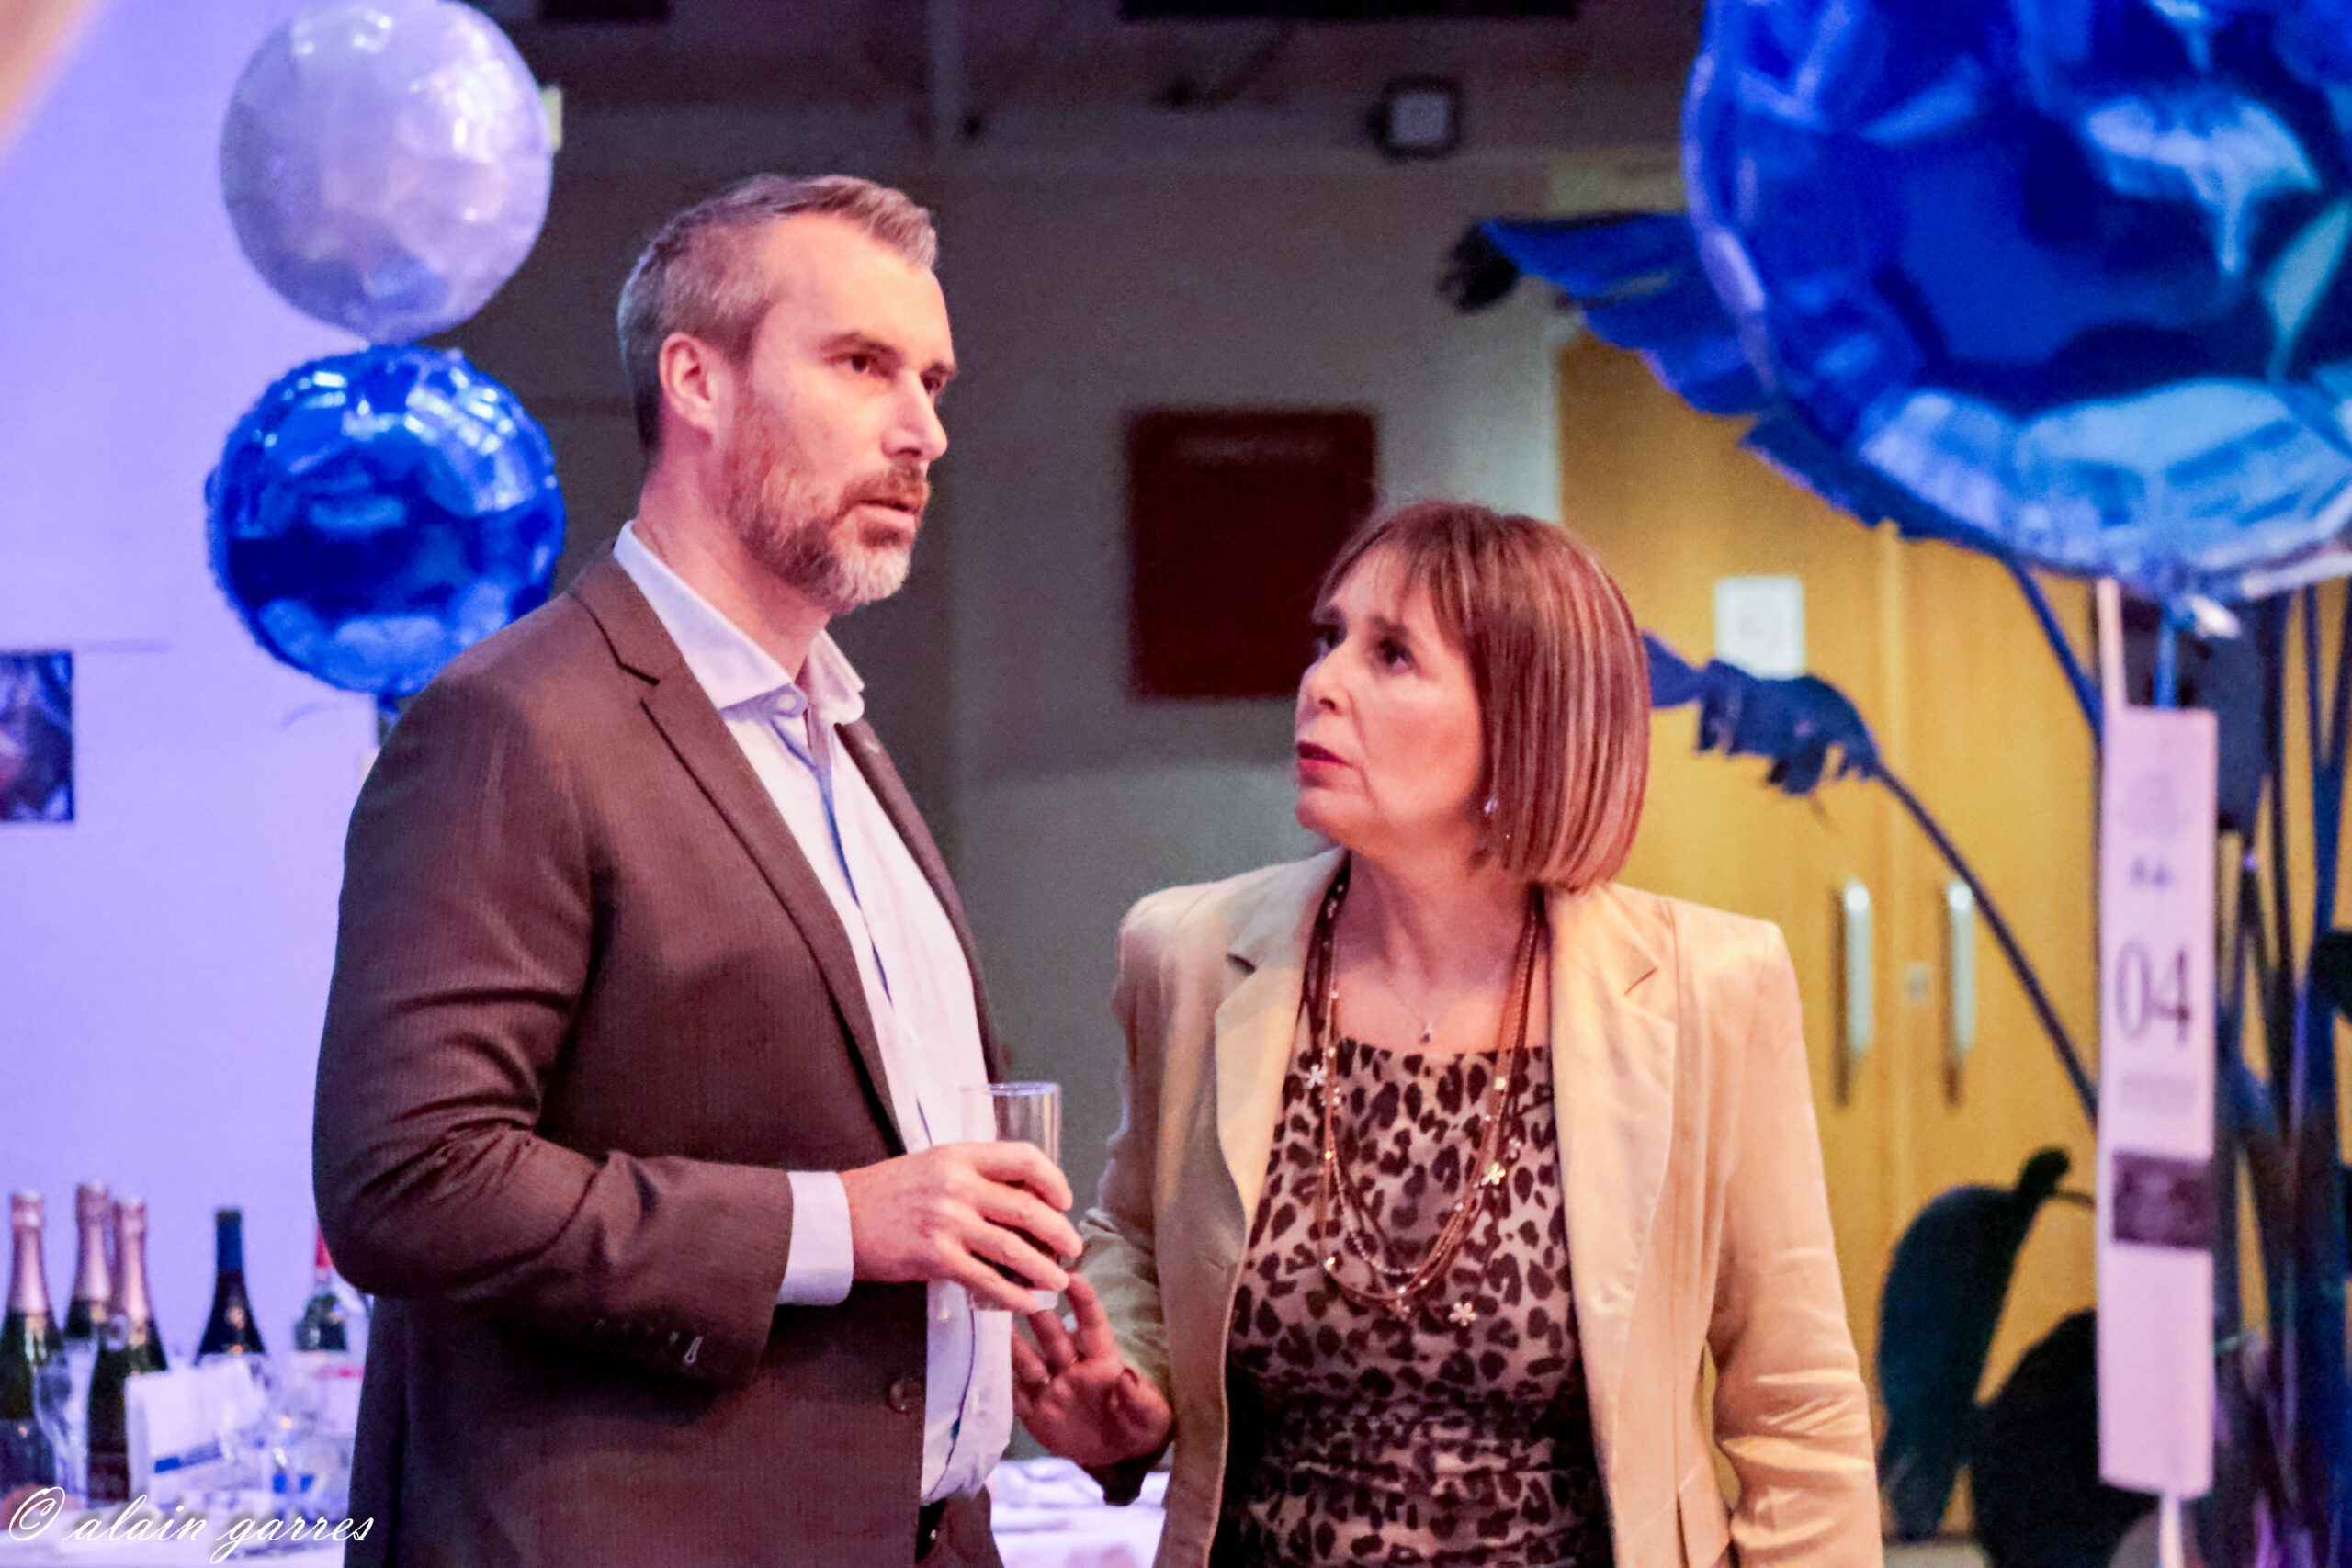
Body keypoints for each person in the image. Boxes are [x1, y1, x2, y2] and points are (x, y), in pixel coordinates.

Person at [313, 174, 1082, 1568]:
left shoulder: (840, 738)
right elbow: (408, 1180)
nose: (923, 430)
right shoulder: (516, 724)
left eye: (931, 381)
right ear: (697, 382)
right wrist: (838, 1223)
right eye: (861, 364)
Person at [1012, 501, 1881, 1567]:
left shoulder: (1706, 987)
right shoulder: (1184, 955)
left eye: (1392, 655)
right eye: (1329, 639)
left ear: (1524, 719)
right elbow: (1140, 1237)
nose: (1322, 684)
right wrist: (1130, 1388)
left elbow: (1796, 1407)